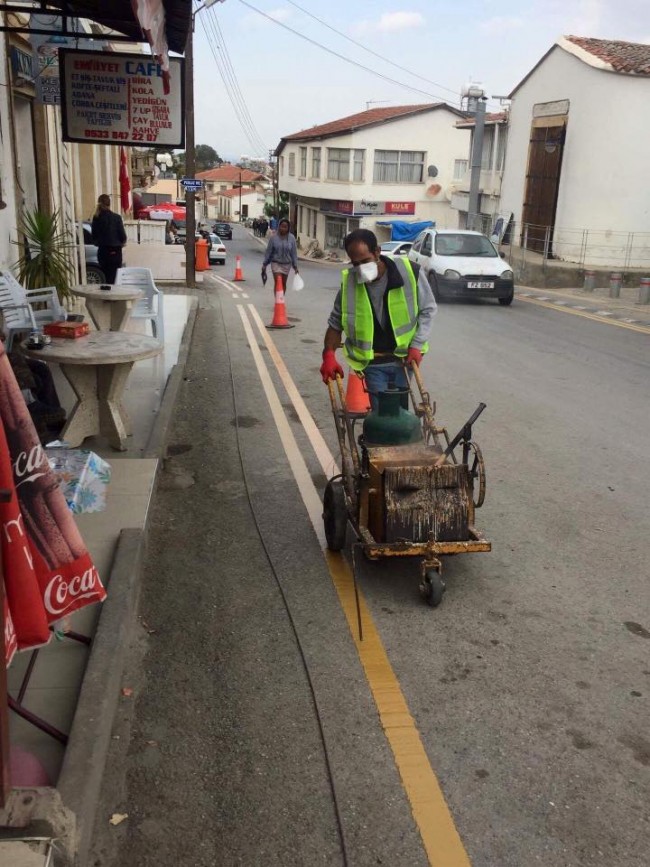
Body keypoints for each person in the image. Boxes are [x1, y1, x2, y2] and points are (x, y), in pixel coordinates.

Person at [320, 229, 436, 409]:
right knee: (383, 415)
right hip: (373, 361)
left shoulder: (409, 271)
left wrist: (417, 344)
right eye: (355, 263)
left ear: (377, 252)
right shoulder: (350, 283)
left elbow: (428, 309)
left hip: (405, 359)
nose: (360, 268)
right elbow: (335, 323)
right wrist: (328, 355)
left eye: (365, 261)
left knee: (401, 412)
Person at [91, 194, 127, 284]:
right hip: (116, 251)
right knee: (115, 277)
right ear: (109, 204)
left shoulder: (96, 218)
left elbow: (94, 236)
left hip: (103, 251)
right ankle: (113, 296)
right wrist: (121, 243)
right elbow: (123, 236)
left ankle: (106, 295)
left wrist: (98, 242)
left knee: (105, 276)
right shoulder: (116, 218)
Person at [261, 218, 299, 294]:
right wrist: (265, 264)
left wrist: (295, 266)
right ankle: (277, 299)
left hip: (286, 264)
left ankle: (281, 299)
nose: (283, 229)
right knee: (278, 280)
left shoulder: (291, 238)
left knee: (283, 283)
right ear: (279, 226)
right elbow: (269, 252)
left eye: (285, 227)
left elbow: (293, 253)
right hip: (276, 263)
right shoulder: (273, 238)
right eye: (282, 226)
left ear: (288, 228)